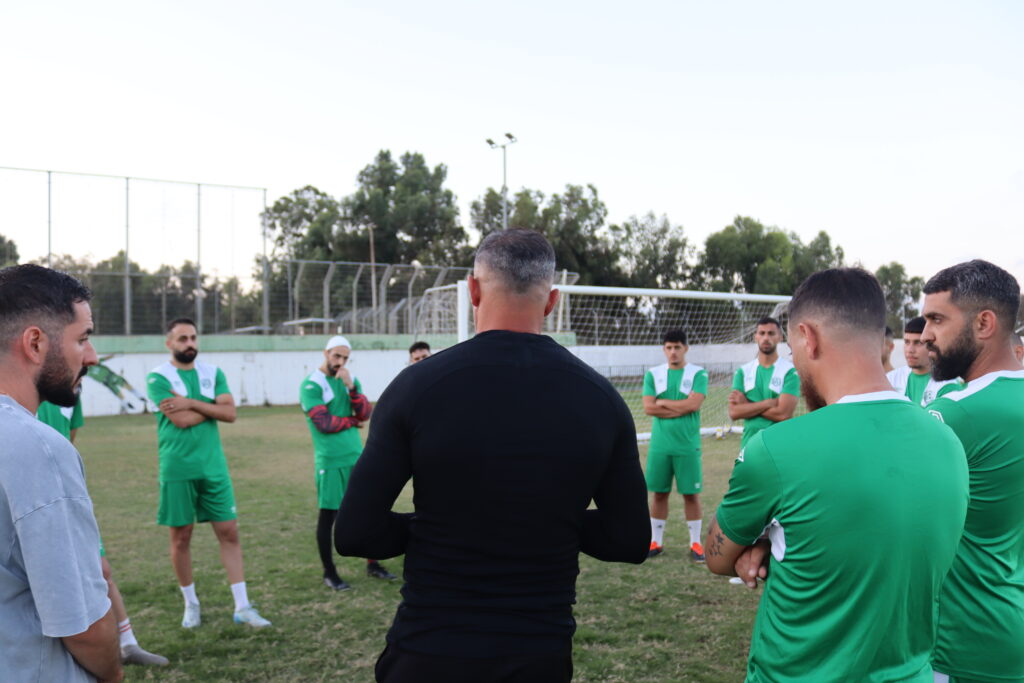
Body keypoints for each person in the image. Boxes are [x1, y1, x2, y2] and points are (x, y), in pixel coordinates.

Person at [335, 229, 649, 683]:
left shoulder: (416, 387)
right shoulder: (602, 400)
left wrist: (444, 527)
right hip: (538, 656)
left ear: (473, 290)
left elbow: (356, 533)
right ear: (552, 301)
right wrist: (545, 523)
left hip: (428, 652)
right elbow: (629, 539)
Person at [705, 267, 968, 680]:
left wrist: (761, 542)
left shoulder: (776, 448)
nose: (795, 362)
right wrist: (780, 540)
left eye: (792, 350)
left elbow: (717, 558)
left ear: (807, 337)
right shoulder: (948, 441)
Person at [0, 264, 123, 682]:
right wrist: (113, 674)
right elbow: (82, 624)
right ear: (35, 343)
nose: (91, 356)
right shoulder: (38, 448)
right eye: (82, 338)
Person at [920, 260, 1024, 683]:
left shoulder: (956, 413)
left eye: (937, 319)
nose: (925, 335)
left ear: (984, 323)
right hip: (1008, 626)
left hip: (962, 639)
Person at [146, 318, 270, 629]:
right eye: (182, 339)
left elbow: (230, 413)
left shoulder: (213, 373)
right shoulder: (158, 377)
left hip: (214, 467)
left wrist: (190, 402)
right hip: (177, 468)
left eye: (193, 337)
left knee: (229, 532)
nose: (189, 343)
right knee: (181, 537)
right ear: (169, 343)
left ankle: (242, 606)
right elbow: (182, 421)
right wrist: (212, 405)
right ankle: (191, 604)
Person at [37, 397, 169, 667]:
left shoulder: (71, 388)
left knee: (101, 570)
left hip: (68, 494)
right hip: (34, 499)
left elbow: (69, 439)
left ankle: (127, 644)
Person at [300, 335, 395, 590]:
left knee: (369, 509)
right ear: (326, 353)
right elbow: (323, 423)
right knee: (329, 517)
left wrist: (351, 387)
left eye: (345, 358)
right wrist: (351, 421)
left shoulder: (349, 380)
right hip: (330, 460)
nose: (340, 362)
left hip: (356, 456)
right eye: (336, 356)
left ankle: (373, 563)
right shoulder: (311, 384)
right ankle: (329, 572)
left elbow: (365, 413)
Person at [642, 329, 708, 561]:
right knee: (659, 494)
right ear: (664, 349)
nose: (673, 352)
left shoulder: (698, 373)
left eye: (677, 347)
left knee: (691, 495)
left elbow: (693, 405)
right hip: (660, 446)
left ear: (685, 348)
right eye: (669, 347)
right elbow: (648, 407)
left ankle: (696, 543)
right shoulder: (653, 374)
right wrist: (680, 406)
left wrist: (663, 403)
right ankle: (656, 541)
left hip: (687, 446)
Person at [727, 316, 800, 449]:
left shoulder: (789, 372)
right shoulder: (743, 372)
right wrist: (767, 403)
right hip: (749, 446)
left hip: (779, 445)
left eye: (771, 333)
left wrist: (747, 405)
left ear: (780, 337)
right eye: (762, 333)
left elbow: (783, 414)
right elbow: (734, 412)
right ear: (755, 337)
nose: (766, 338)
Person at [885, 316, 961, 406]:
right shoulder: (890, 379)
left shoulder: (948, 385)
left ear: (932, 345)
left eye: (918, 343)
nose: (910, 350)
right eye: (907, 342)